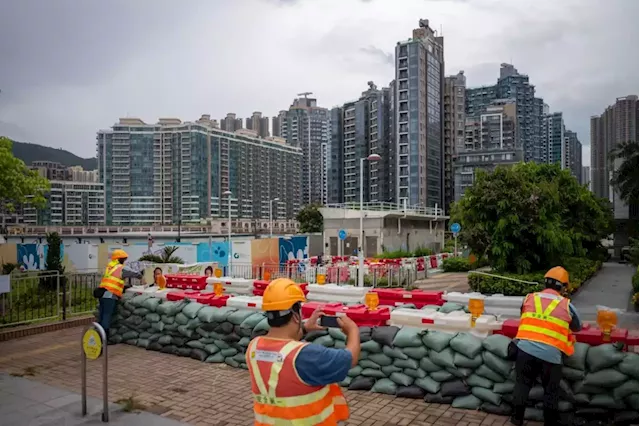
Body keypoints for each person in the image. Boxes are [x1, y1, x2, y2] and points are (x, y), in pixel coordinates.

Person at [246, 278, 360, 426]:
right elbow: (350, 358)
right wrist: (353, 331)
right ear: (295, 316)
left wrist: (305, 328)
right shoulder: (307, 355)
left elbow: (282, 345)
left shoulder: (253, 348)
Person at [510, 266, 582, 426]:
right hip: (551, 356)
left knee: (522, 384)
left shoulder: (529, 298)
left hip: (524, 350)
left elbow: (524, 315)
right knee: (550, 392)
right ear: (563, 287)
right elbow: (577, 327)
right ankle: (550, 422)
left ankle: (516, 419)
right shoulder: (566, 305)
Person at [94, 249, 142, 336]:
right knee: (107, 315)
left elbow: (113, 280)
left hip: (102, 293)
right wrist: (141, 275)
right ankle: (104, 337)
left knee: (102, 314)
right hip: (110, 295)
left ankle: (98, 334)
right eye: (124, 259)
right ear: (119, 259)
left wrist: (124, 287)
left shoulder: (110, 267)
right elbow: (135, 274)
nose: (124, 261)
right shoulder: (121, 267)